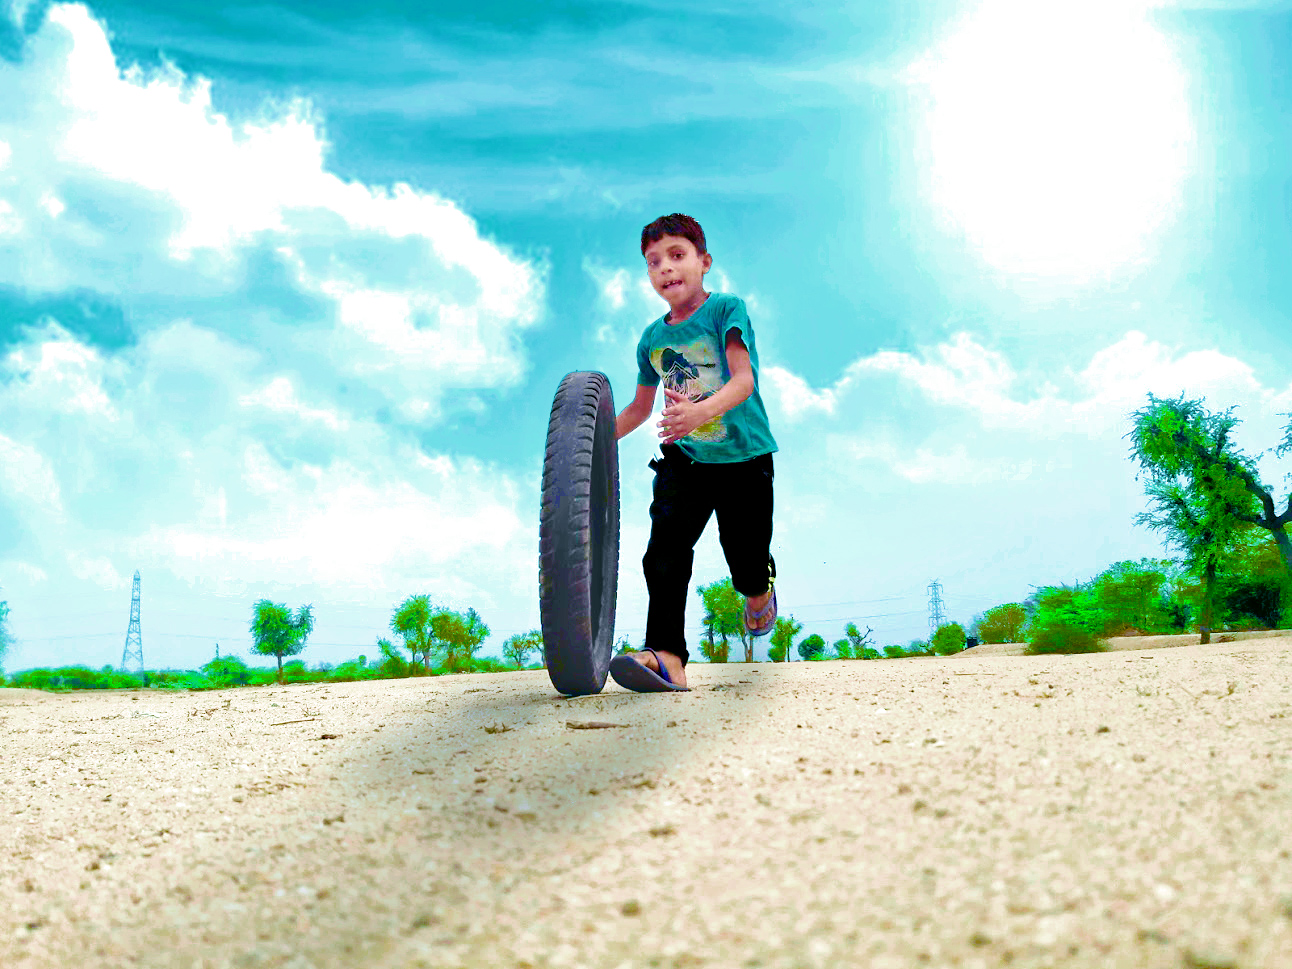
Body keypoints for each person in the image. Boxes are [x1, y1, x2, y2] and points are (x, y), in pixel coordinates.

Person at [608, 213, 778, 693]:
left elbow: (743, 381)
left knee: (744, 561)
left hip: (745, 458)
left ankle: (759, 590)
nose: (665, 267)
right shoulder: (652, 339)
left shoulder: (725, 309)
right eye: (653, 261)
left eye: (677, 255)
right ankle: (667, 657)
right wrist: (586, 445)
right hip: (685, 461)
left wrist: (699, 412)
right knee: (663, 552)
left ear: (704, 262)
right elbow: (639, 409)